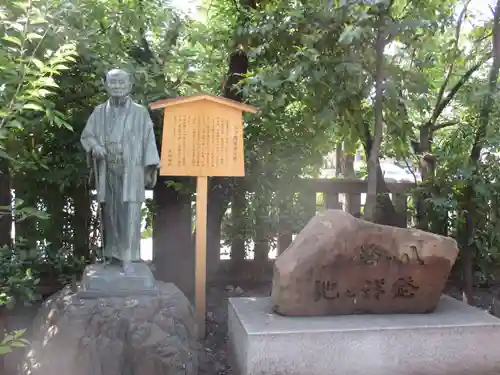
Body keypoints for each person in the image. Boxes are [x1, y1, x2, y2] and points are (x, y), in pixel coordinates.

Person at [81, 68, 160, 273]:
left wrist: (149, 167)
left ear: (130, 85)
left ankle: (129, 257)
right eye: (113, 82)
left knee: (131, 212)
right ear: (106, 85)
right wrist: (95, 147)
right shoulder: (99, 112)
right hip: (108, 168)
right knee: (111, 212)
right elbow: (87, 136)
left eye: (121, 83)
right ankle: (112, 255)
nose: (117, 86)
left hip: (131, 169)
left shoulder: (140, 112)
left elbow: (149, 141)